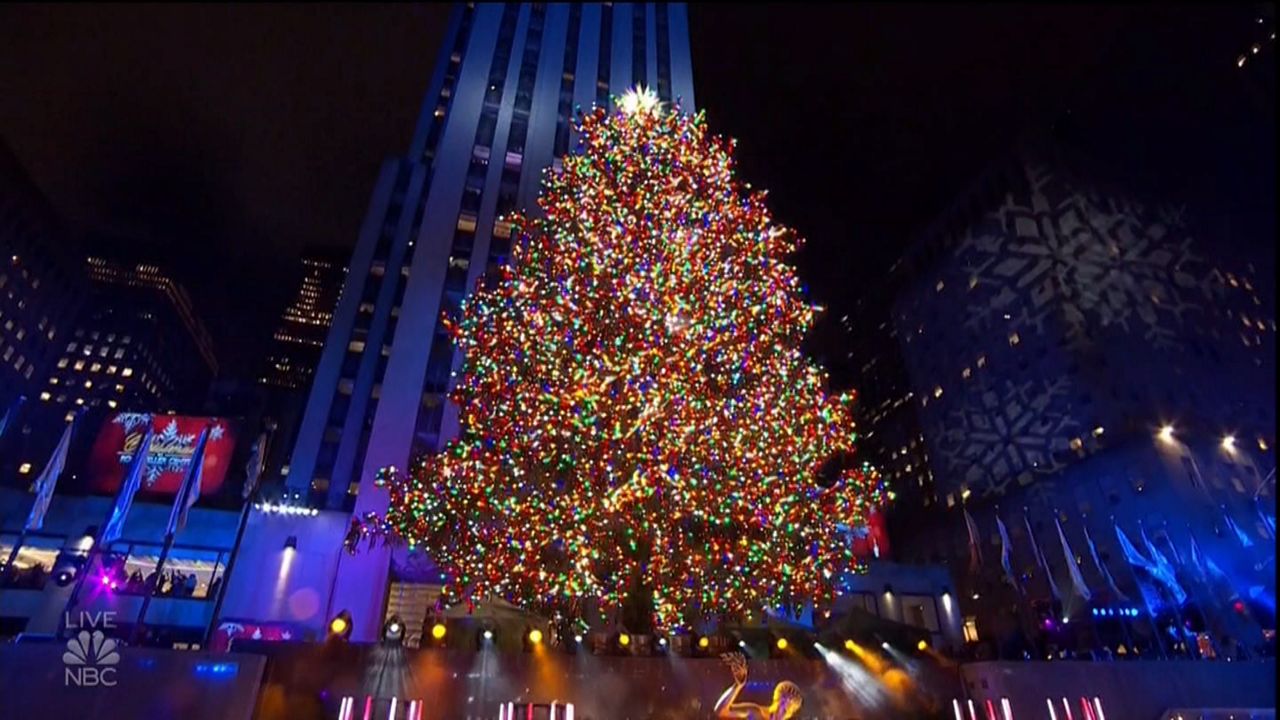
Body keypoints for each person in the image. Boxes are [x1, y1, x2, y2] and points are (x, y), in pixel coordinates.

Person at [714, 652, 803, 719]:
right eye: (784, 700)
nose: (785, 705)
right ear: (777, 698)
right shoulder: (755, 712)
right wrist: (737, 686)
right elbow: (721, 710)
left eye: (790, 703)